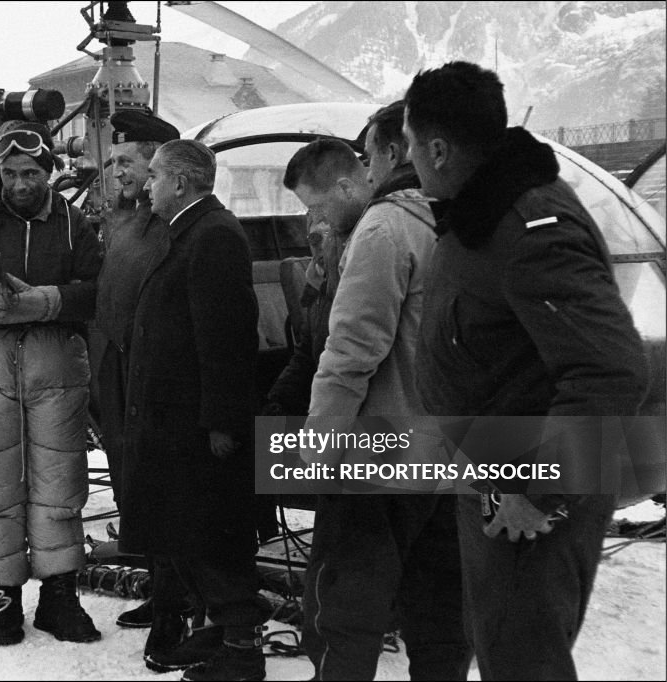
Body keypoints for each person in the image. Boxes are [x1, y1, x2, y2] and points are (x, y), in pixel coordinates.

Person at [403, 61, 649, 680]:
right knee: (501, 646)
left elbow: (611, 371)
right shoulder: (479, 214)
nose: (407, 158)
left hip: (529, 497)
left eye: (409, 144)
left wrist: (533, 488)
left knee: (523, 661)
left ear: (439, 148)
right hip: (494, 476)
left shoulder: (531, 228)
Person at [295, 108, 471, 681]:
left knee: (344, 610)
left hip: (381, 457)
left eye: (370, 156)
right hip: (456, 454)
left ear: (395, 154)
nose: (366, 172)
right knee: (442, 610)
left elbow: (350, 354)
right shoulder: (467, 221)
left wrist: (319, 447)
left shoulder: (383, 228)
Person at [0, 122, 103, 647]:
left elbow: (97, 292)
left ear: (48, 171)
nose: (19, 183)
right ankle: (3, 599)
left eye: (30, 172)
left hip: (55, 368)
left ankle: (59, 596)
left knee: (59, 483)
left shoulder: (74, 225)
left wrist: (49, 300)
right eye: (9, 173)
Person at [118, 139, 269, 681]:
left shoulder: (213, 237)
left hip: (194, 431)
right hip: (173, 424)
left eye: (155, 175)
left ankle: (240, 648)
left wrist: (223, 424)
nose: (147, 183)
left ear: (180, 182)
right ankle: (225, 634)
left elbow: (227, 339)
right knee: (184, 535)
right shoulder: (190, 232)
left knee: (210, 539)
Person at [91, 110, 195, 654]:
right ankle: (161, 588)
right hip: (114, 373)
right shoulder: (123, 220)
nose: (117, 171)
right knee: (131, 485)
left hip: (147, 374)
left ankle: (177, 607)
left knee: (160, 490)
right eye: (111, 162)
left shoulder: (169, 224)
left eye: (127, 161)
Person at [261, 140, 351, 418]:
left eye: (328, 239)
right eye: (313, 241)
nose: (320, 251)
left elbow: (351, 361)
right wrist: (278, 401)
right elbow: (306, 352)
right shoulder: (317, 281)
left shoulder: (357, 277)